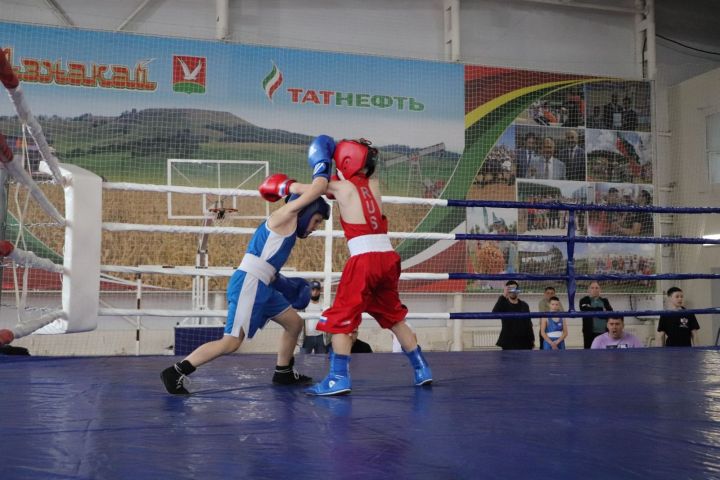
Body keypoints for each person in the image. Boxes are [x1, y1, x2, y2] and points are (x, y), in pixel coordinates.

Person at [160, 143, 331, 395]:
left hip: (264, 284)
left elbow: (268, 265)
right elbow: (318, 188)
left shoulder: (290, 227)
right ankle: (176, 371)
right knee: (231, 342)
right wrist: (323, 161)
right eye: (317, 220)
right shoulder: (284, 215)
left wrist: (284, 283)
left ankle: (283, 372)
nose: (316, 226)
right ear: (306, 210)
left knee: (294, 324)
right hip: (250, 283)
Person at [291, 136, 432, 396]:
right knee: (395, 317)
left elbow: (311, 188)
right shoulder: (374, 185)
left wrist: (286, 183)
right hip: (388, 258)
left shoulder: (342, 189)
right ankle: (422, 369)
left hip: (364, 260)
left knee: (341, 319)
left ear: (345, 161)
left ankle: (338, 378)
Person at [493, 280, 534, 350]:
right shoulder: (504, 304)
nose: (512, 291)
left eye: (514, 288)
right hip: (508, 341)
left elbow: (529, 323)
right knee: (508, 361)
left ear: (518, 290)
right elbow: (494, 313)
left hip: (525, 341)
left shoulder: (524, 305)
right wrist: (503, 295)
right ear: (507, 290)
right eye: (510, 289)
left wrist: (532, 339)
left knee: (525, 360)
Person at [579, 281, 613, 349]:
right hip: (589, 333)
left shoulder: (605, 300)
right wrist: (601, 310)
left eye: (597, 288)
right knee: (589, 354)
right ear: (588, 290)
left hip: (605, 333)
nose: (595, 290)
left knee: (605, 354)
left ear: (600, 289)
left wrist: (593, 311)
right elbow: (585, 310)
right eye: (592, 288)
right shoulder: (584, 300)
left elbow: (610, 313)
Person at [301, 280, 327, 354]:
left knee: (320, 361)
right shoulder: (303, 304)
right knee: (303, 360)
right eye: (313, 289)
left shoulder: (324, 304)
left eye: (317, 290)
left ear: (320, 291)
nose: (315, 292)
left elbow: (325, 320)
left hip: (321, 337)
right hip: (306, 337)